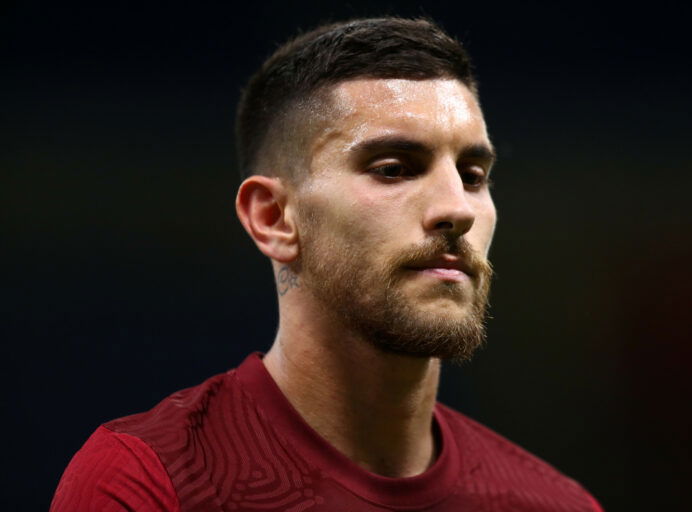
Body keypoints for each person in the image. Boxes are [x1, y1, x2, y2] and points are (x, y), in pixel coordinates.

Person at [52, 17, 603, 511]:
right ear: (273, 217)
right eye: (393, 168)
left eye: (473, 175)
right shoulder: (151, 482)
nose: (457, 208)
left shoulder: (556, 504)